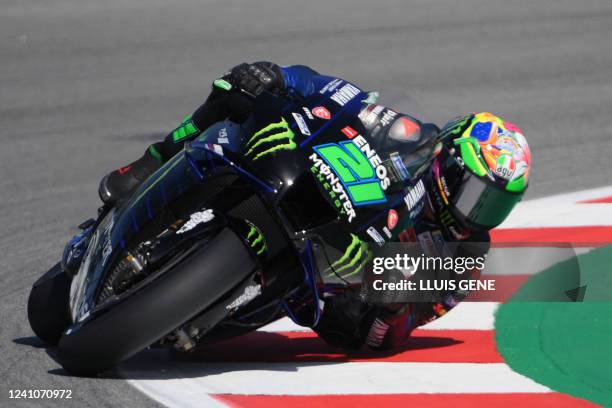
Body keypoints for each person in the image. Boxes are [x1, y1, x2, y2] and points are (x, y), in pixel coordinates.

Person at [98, 62, 531, 351]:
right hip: (313, 184)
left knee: (352, 321)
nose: (477, 213)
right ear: (450, 163)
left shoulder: (465, 252)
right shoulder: (413, 136)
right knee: (239, 93)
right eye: (476, 195)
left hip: (336, 294)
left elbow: (394, 331)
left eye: (494, 206)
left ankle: (215, 301)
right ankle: (150, 160)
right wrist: (282, 79)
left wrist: (395, 302)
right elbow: (345, 98)